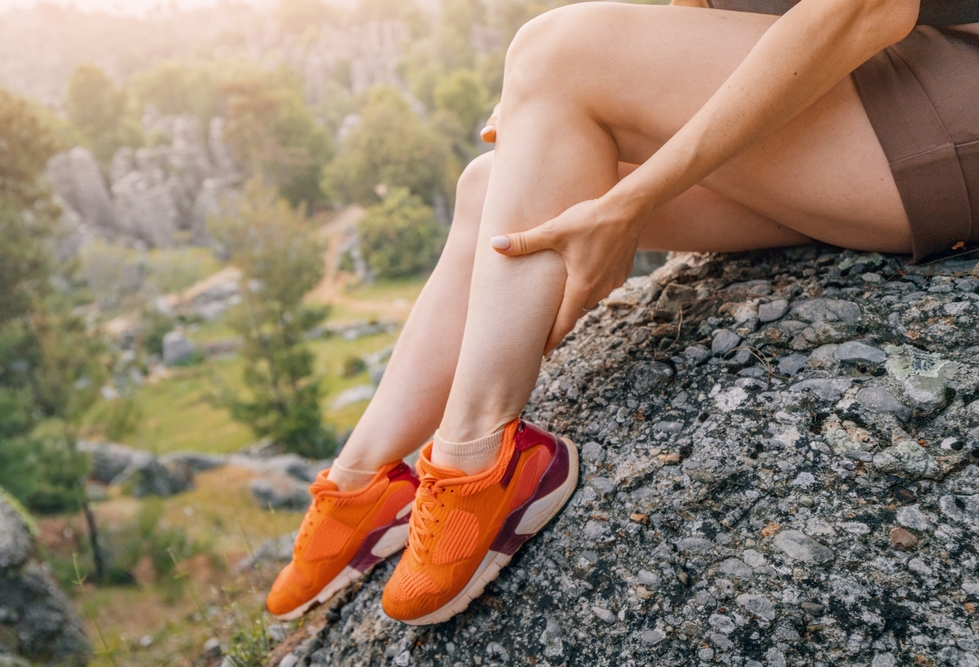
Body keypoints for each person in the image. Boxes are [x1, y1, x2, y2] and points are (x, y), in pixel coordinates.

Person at [266, 0, 979, 625]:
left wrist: (627, 201)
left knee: (555, 52)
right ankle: (361, 482)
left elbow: (869, 8)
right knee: (494, 183)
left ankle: (479, 460)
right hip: (845, 110)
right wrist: (556, 134)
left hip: (943, 98)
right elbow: (697, 22)